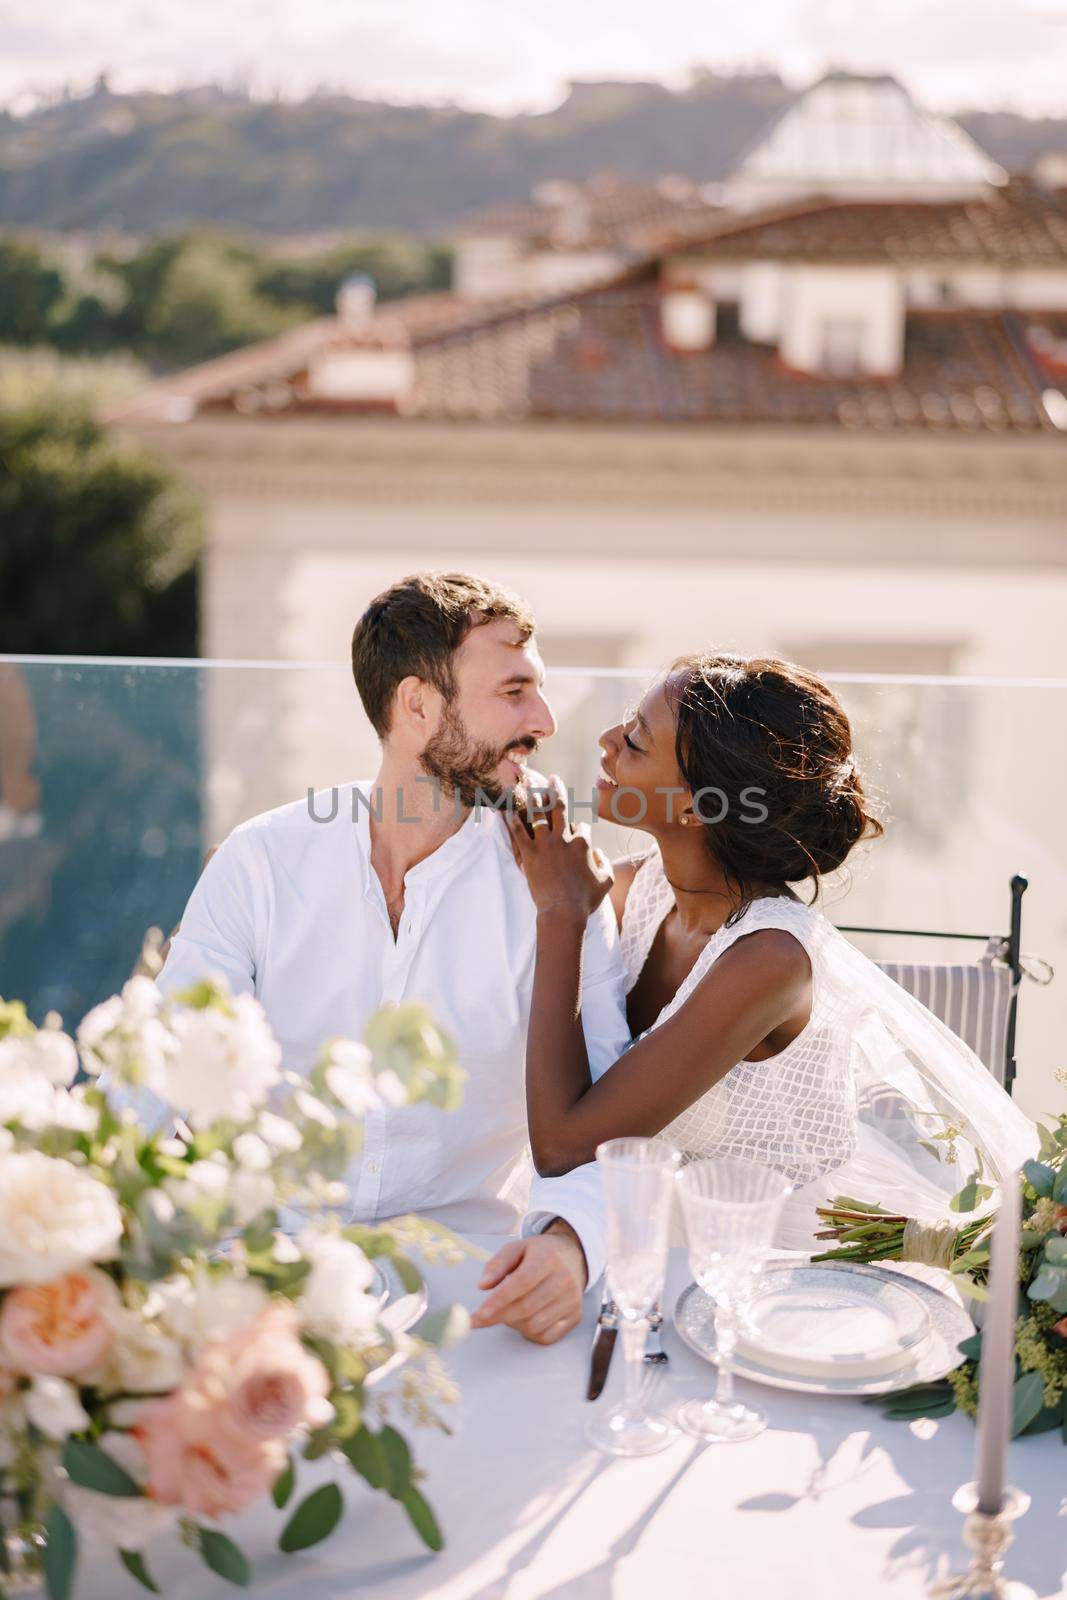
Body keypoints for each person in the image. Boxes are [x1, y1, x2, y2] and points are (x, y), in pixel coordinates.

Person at [156, 572, 631, 1344]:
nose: (543, 719)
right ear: (416, 706)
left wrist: (571, 1244)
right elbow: (158, 1074)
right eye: (513, 693)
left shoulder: (561, 887)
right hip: (257, 1284)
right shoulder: (260, 862)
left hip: (474, 1294)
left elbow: (613, 1119)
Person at [508, 652, 1037, 1247]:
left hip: (799, 1255)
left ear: (696, 806)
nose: (605, 741)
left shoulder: (770, 959)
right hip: (669, 1225)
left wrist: (559, 917)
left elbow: (560, 1147)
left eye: (635, 740)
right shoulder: (642, 888)